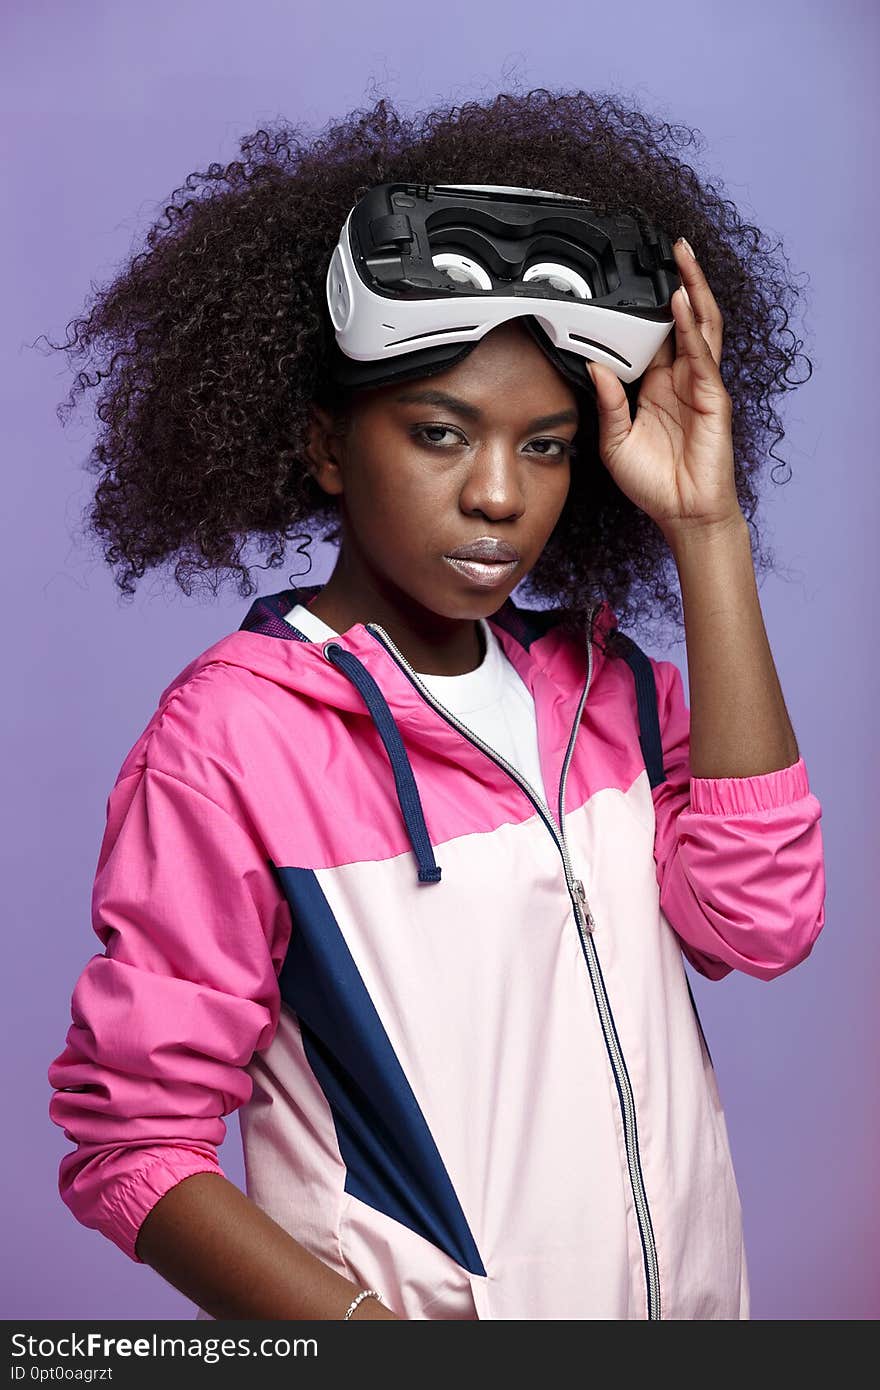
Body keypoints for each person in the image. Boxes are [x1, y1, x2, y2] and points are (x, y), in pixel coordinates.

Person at [46, 88, 826, 1321]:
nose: (499, 496)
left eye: (548, 445)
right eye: (439, 431)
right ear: (325, 445)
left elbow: (758, 924)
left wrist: (706, 526)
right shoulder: (236, 739)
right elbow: (131, 1148)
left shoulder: (609, 691)